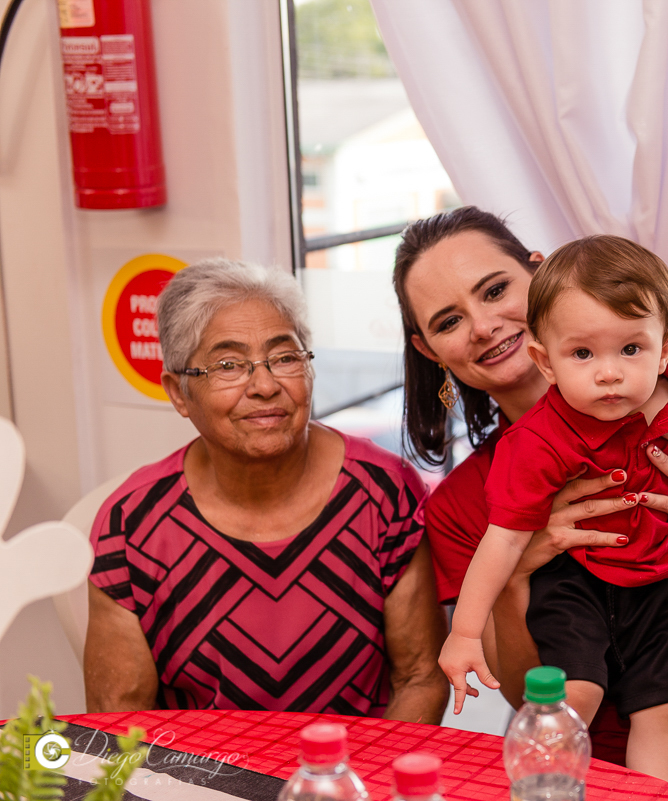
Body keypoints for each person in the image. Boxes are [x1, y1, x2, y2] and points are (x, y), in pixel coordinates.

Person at [396, 207, 668, 801]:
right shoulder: (464, 503)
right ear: (431, 352)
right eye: (450, 320)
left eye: (495, 290)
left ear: (540, 274)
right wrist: (521, 567)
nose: (482, 326)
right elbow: (526, 695)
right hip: (584, 774)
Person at [440, 235, 668, 784]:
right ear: (546, 361)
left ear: (665, 349)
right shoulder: (536, 441)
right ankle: (549, 792)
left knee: (663, 713)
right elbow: (504, 538)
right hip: (574, 585)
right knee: (573, 698)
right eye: (583, 354)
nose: (609, 372)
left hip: (659, 585)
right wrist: (466, 633)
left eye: (630, 349)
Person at [85, 258, 448, 722]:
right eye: (229, 365)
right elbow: (120, 719)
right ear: (178, 393)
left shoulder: (384, 491)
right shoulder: (132, 525)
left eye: (284, 357)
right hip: (199, 782)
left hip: (354, 777)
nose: (264, 385)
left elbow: (419, 679)